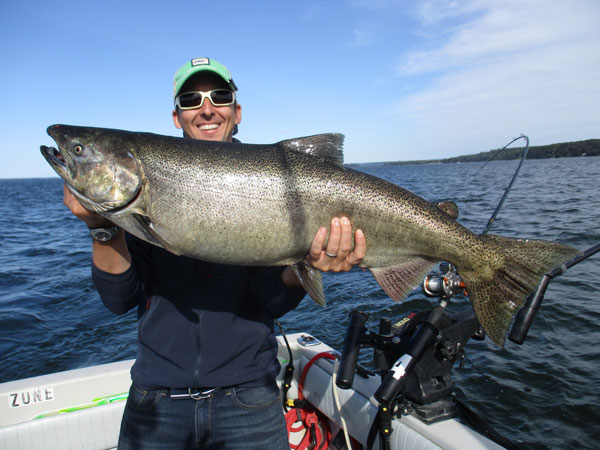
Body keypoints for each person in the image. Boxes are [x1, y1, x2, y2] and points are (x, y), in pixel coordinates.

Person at [63, 57, 366, 449]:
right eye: (191, 99)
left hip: (250, 399)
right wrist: (101, 226)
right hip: (156, 400)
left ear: (236, 111)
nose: (206, 108)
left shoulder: (268, 180)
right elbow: (120, 298)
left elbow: (269, 299)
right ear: (177, 117)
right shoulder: (143, 195)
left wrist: (306, 264)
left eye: (219, 96)